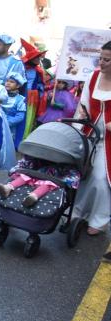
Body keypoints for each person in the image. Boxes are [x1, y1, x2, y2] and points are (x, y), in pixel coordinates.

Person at [73, 41, 111, 236]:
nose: (101, 63)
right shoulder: (93, 76)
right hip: (90, 133)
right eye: (101, 58)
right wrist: (77, 128)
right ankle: (77, 212)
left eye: (107, 59)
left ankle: (100, 219)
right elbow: (83, 104)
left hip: (109, 141)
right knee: (82, 174)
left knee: (100, 178)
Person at [0, 156, 80, 207]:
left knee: (48, 184)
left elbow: (73, 176)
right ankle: (7, 188)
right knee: (24, 176)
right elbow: (26, 163)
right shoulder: (39, 160)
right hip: (35, 175)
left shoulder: (63, 165)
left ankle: (33, 196)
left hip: (50, 179)